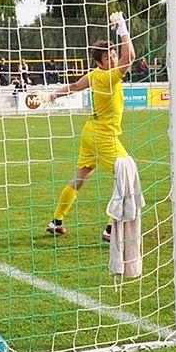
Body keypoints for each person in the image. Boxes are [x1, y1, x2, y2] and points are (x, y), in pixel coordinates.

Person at [40, 12, 136, 242]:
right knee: (127, 176)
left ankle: (56, 221)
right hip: (103, 135)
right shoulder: (106, 77)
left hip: (90, 132)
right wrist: (122, 25)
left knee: (80, 178)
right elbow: (130, 56)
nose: (113, 60)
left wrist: (51, 96)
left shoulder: (94, 75)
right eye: (108, 58)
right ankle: (111, 230)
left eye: (113, 56)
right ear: (99, 64)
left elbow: (74, 85)